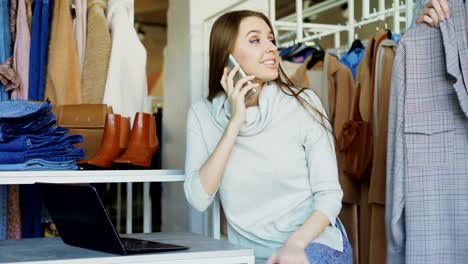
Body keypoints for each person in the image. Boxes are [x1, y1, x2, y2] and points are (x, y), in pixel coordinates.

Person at [184, 10, 352, 264]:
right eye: (255, 40)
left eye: (271, 39)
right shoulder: (202, 115)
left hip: (313, 245)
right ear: (226, 56)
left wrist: (294, 246)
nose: (271, 47)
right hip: (251, 255)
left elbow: (329, 195)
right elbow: (198, 198)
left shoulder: (304, 104)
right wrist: (236, 121)